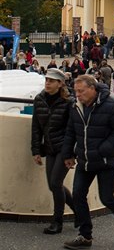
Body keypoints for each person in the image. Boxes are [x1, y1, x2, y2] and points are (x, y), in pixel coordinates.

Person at [61, 75, 114, 249]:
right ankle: (85, 235)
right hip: (84, 160)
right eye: (76, 91)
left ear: (92, 89)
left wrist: (102, 150)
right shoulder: (76, 106)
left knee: (107, 198)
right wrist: (67, 154)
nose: (77, 95)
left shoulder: (112, 106)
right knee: (78, 195)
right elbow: (71, 132)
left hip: (105, 161)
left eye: (81, 91)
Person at [31, 68, 76, 234]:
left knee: (56, 183)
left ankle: (57, 222)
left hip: (64, 148)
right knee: (53, 184)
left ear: (60, 83)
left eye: (51, 80)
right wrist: (36, 150)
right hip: (50, 148)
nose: (47, 83)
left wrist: (71, 153)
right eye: (46, 80)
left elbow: (73, 129)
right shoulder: (39, 99)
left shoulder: (69, 102)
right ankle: (78, 210)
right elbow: (36, 127)